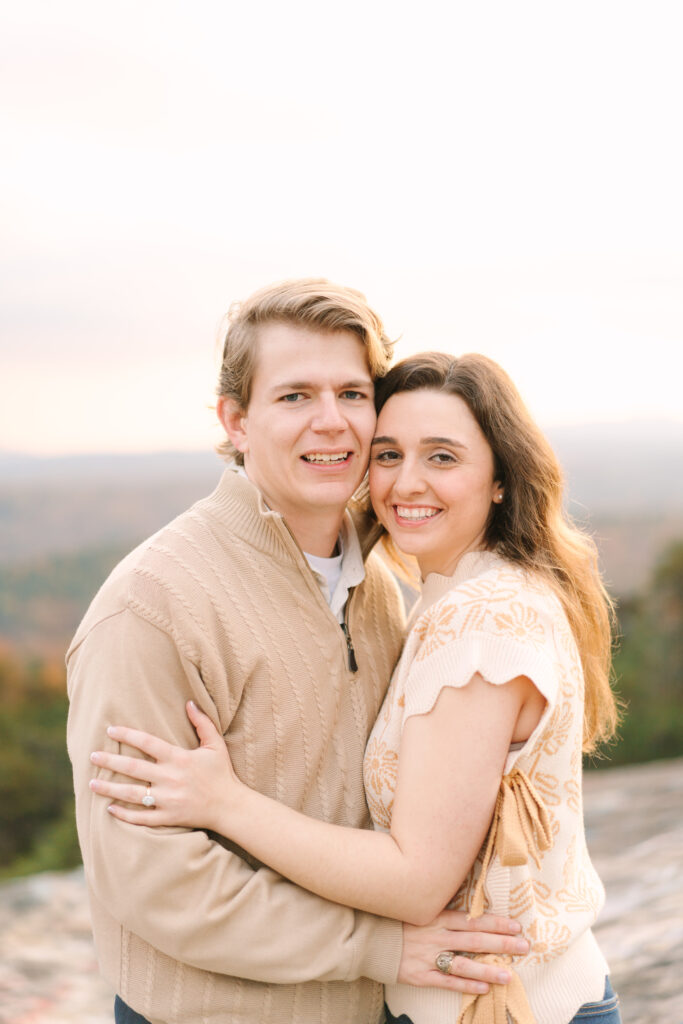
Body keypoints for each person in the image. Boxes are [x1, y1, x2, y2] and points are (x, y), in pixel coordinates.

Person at [90, 351, 622, 1024]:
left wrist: (224, 803)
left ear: (498, 479)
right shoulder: (451, 590)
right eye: (388, 454)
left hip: (508, 1006)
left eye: (442, 458)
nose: (406, 482)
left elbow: (416, 880)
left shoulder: (481, 618)